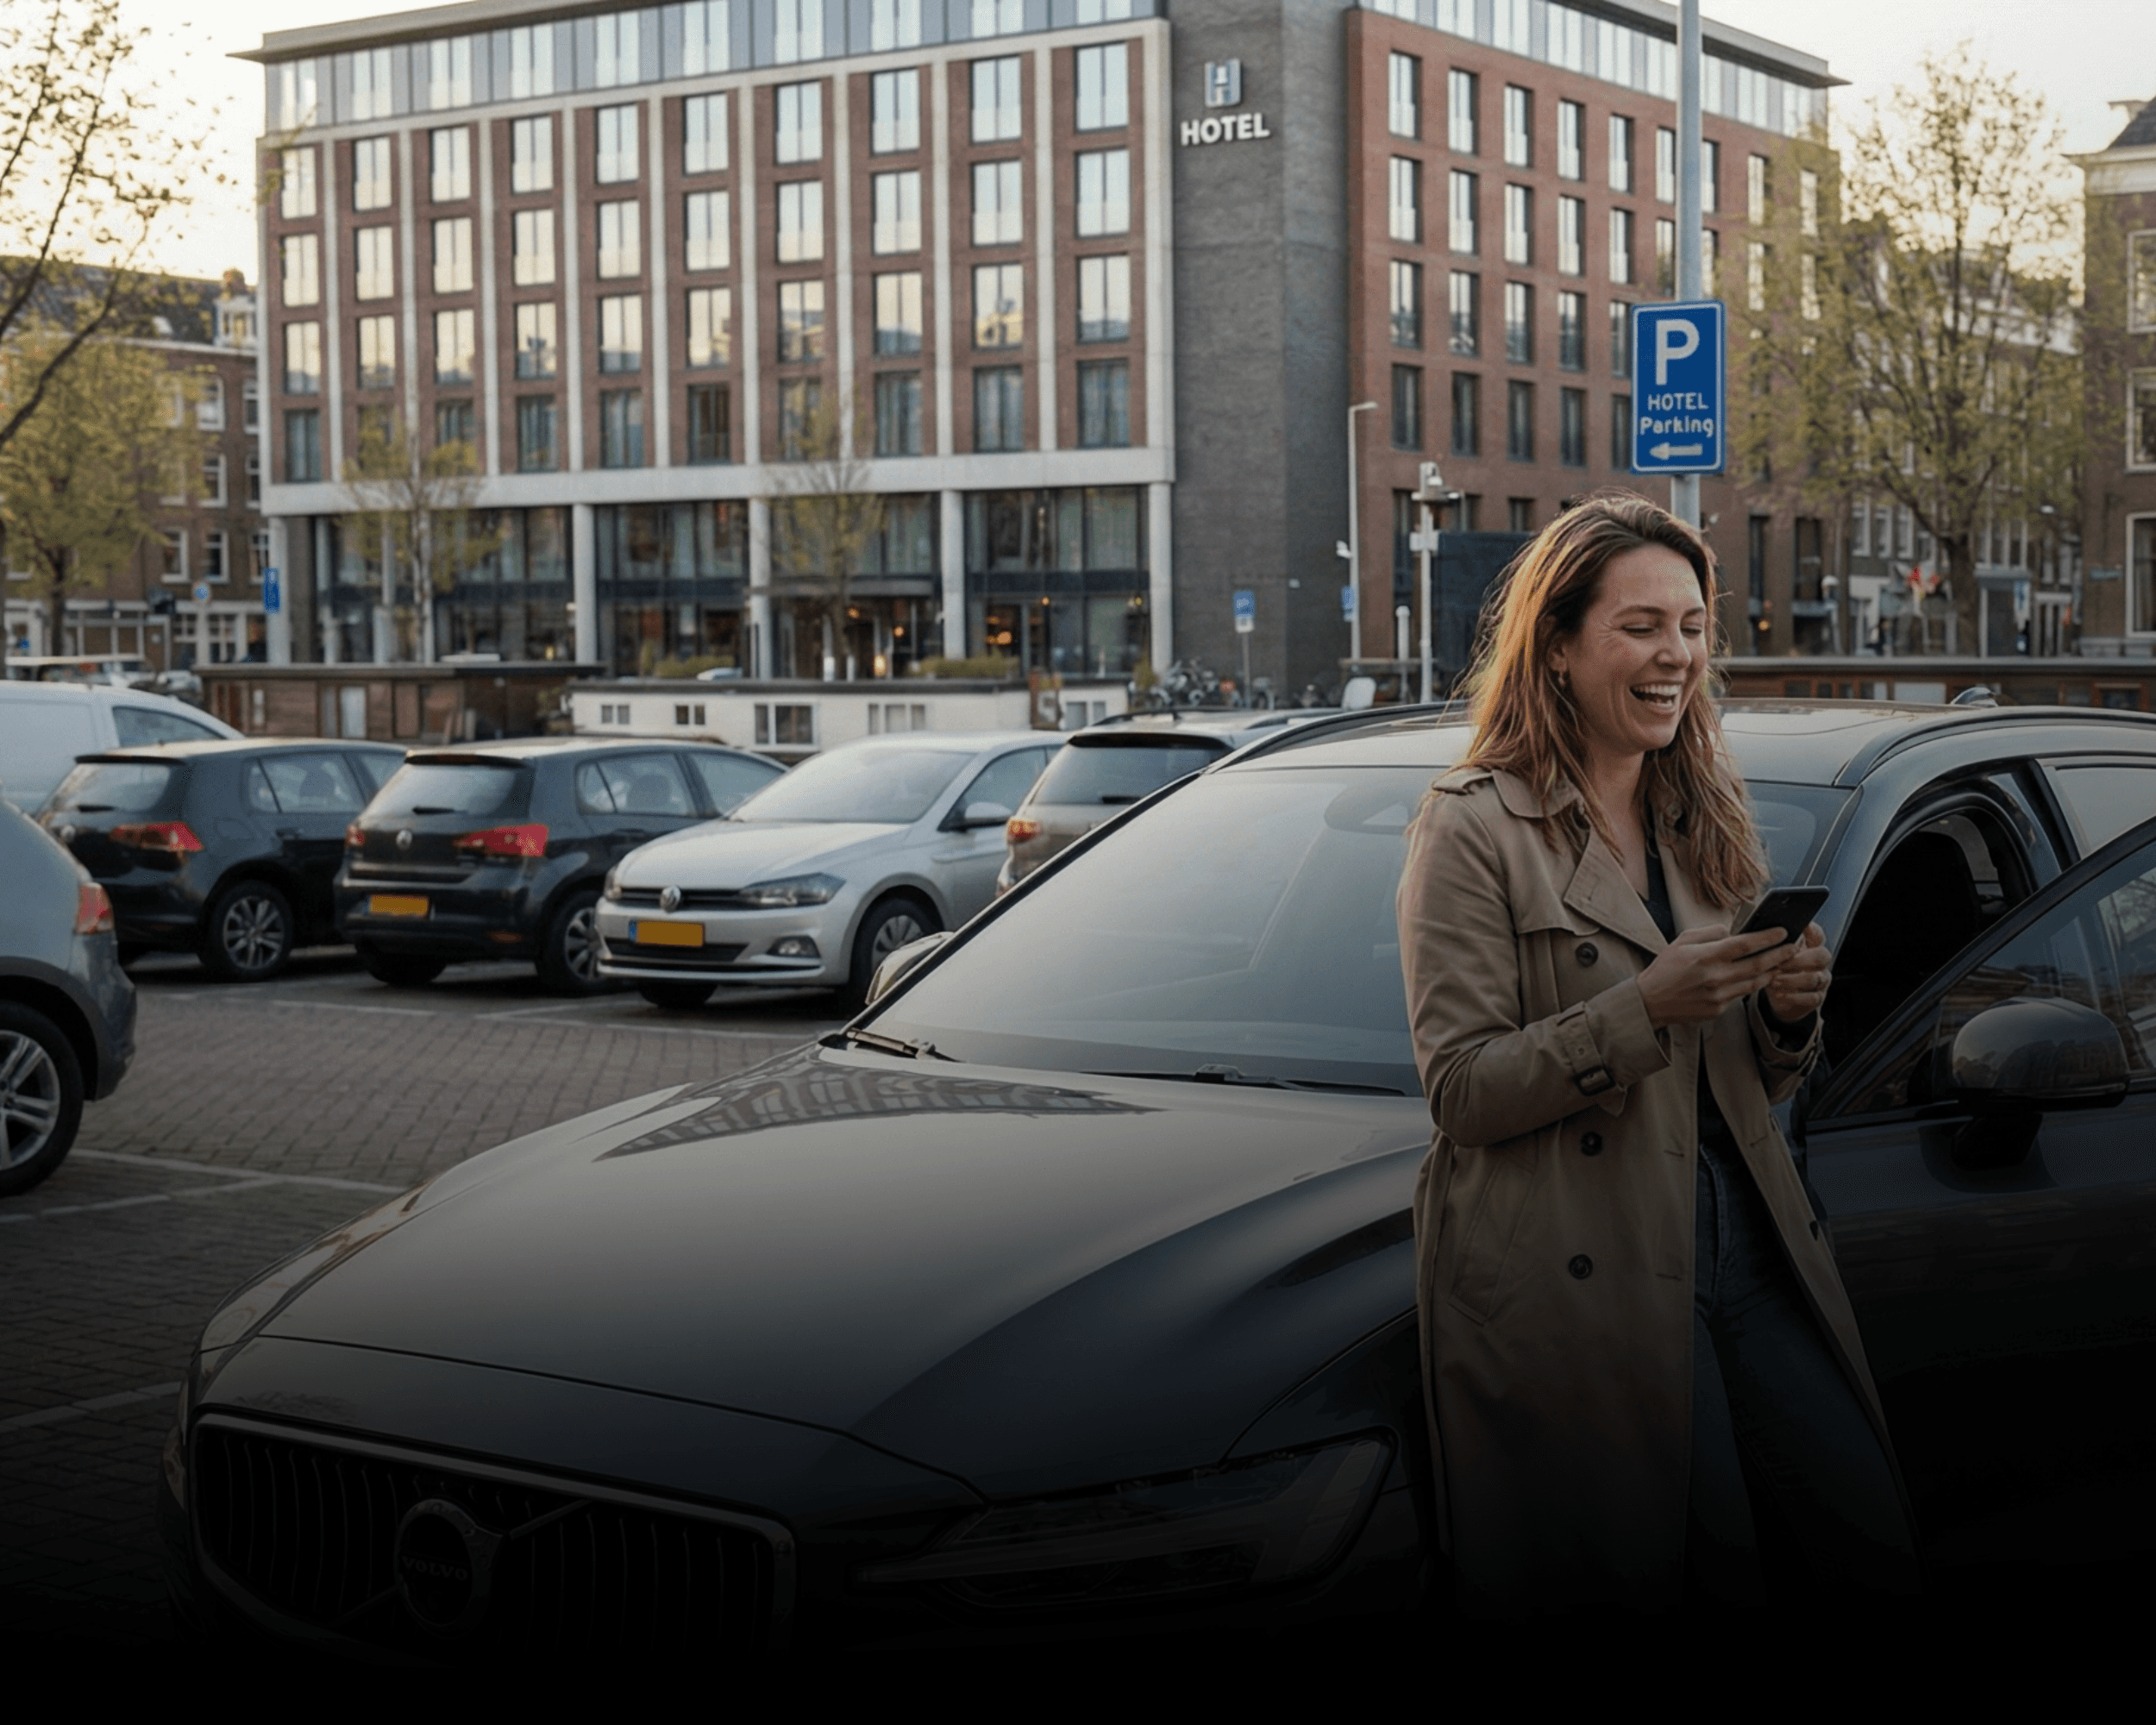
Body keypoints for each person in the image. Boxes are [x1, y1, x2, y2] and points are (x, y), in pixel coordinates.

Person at [1395, 493, 1921, 1618]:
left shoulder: (1704, 812)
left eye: (1690, 625)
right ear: (1558, 645)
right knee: (1697, 1573)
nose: (1676, 653)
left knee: (1862, 1538)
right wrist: (1643, 1009)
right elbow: (1463, 1091)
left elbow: (1751, 1080)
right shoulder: (1472, 824)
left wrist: (1786, 1013)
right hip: (1590, 1269)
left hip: (1753, 1243)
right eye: (1640, 626)